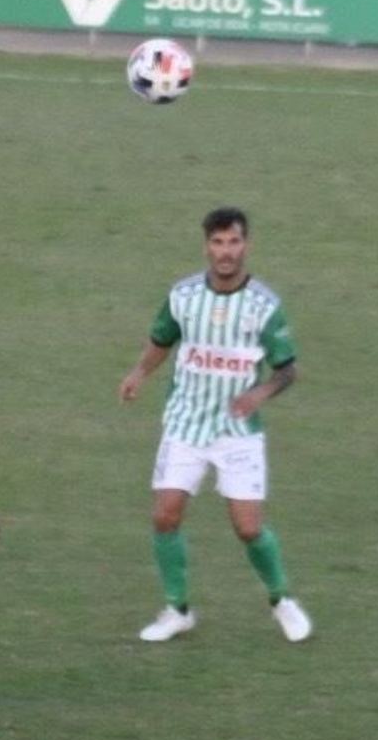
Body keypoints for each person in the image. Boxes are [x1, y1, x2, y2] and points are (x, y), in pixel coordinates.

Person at [118, 207, 312, 643]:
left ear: (247, 245)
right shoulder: (183, 296)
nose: (226, 252)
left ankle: (282, 600)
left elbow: (287, 370)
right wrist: (137, 374)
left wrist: (257, 394)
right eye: (218, 243)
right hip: (185, 423)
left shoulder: (264, 306)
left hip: (237, 431)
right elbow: (161, 341)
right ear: (207, 246)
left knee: (248, 527)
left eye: (234, 242)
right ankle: (177, 609)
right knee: (165, 516)